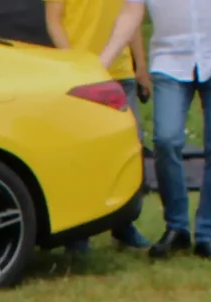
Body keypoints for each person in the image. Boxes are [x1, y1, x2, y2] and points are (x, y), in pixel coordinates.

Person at [99, 0, 211, 259]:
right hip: (170, 60)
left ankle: (208, 234)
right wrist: (104, 60)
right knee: (166, 140)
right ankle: (177, 227)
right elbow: (131, 11)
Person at [47, 0, 150, 250]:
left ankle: (124, 222)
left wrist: (140, 64)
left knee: (129, 152)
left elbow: (132, 13)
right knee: (80, 155)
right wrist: (74, 61)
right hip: (80, 75)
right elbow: (54, 19)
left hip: (120, 72)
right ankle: (77, 233)